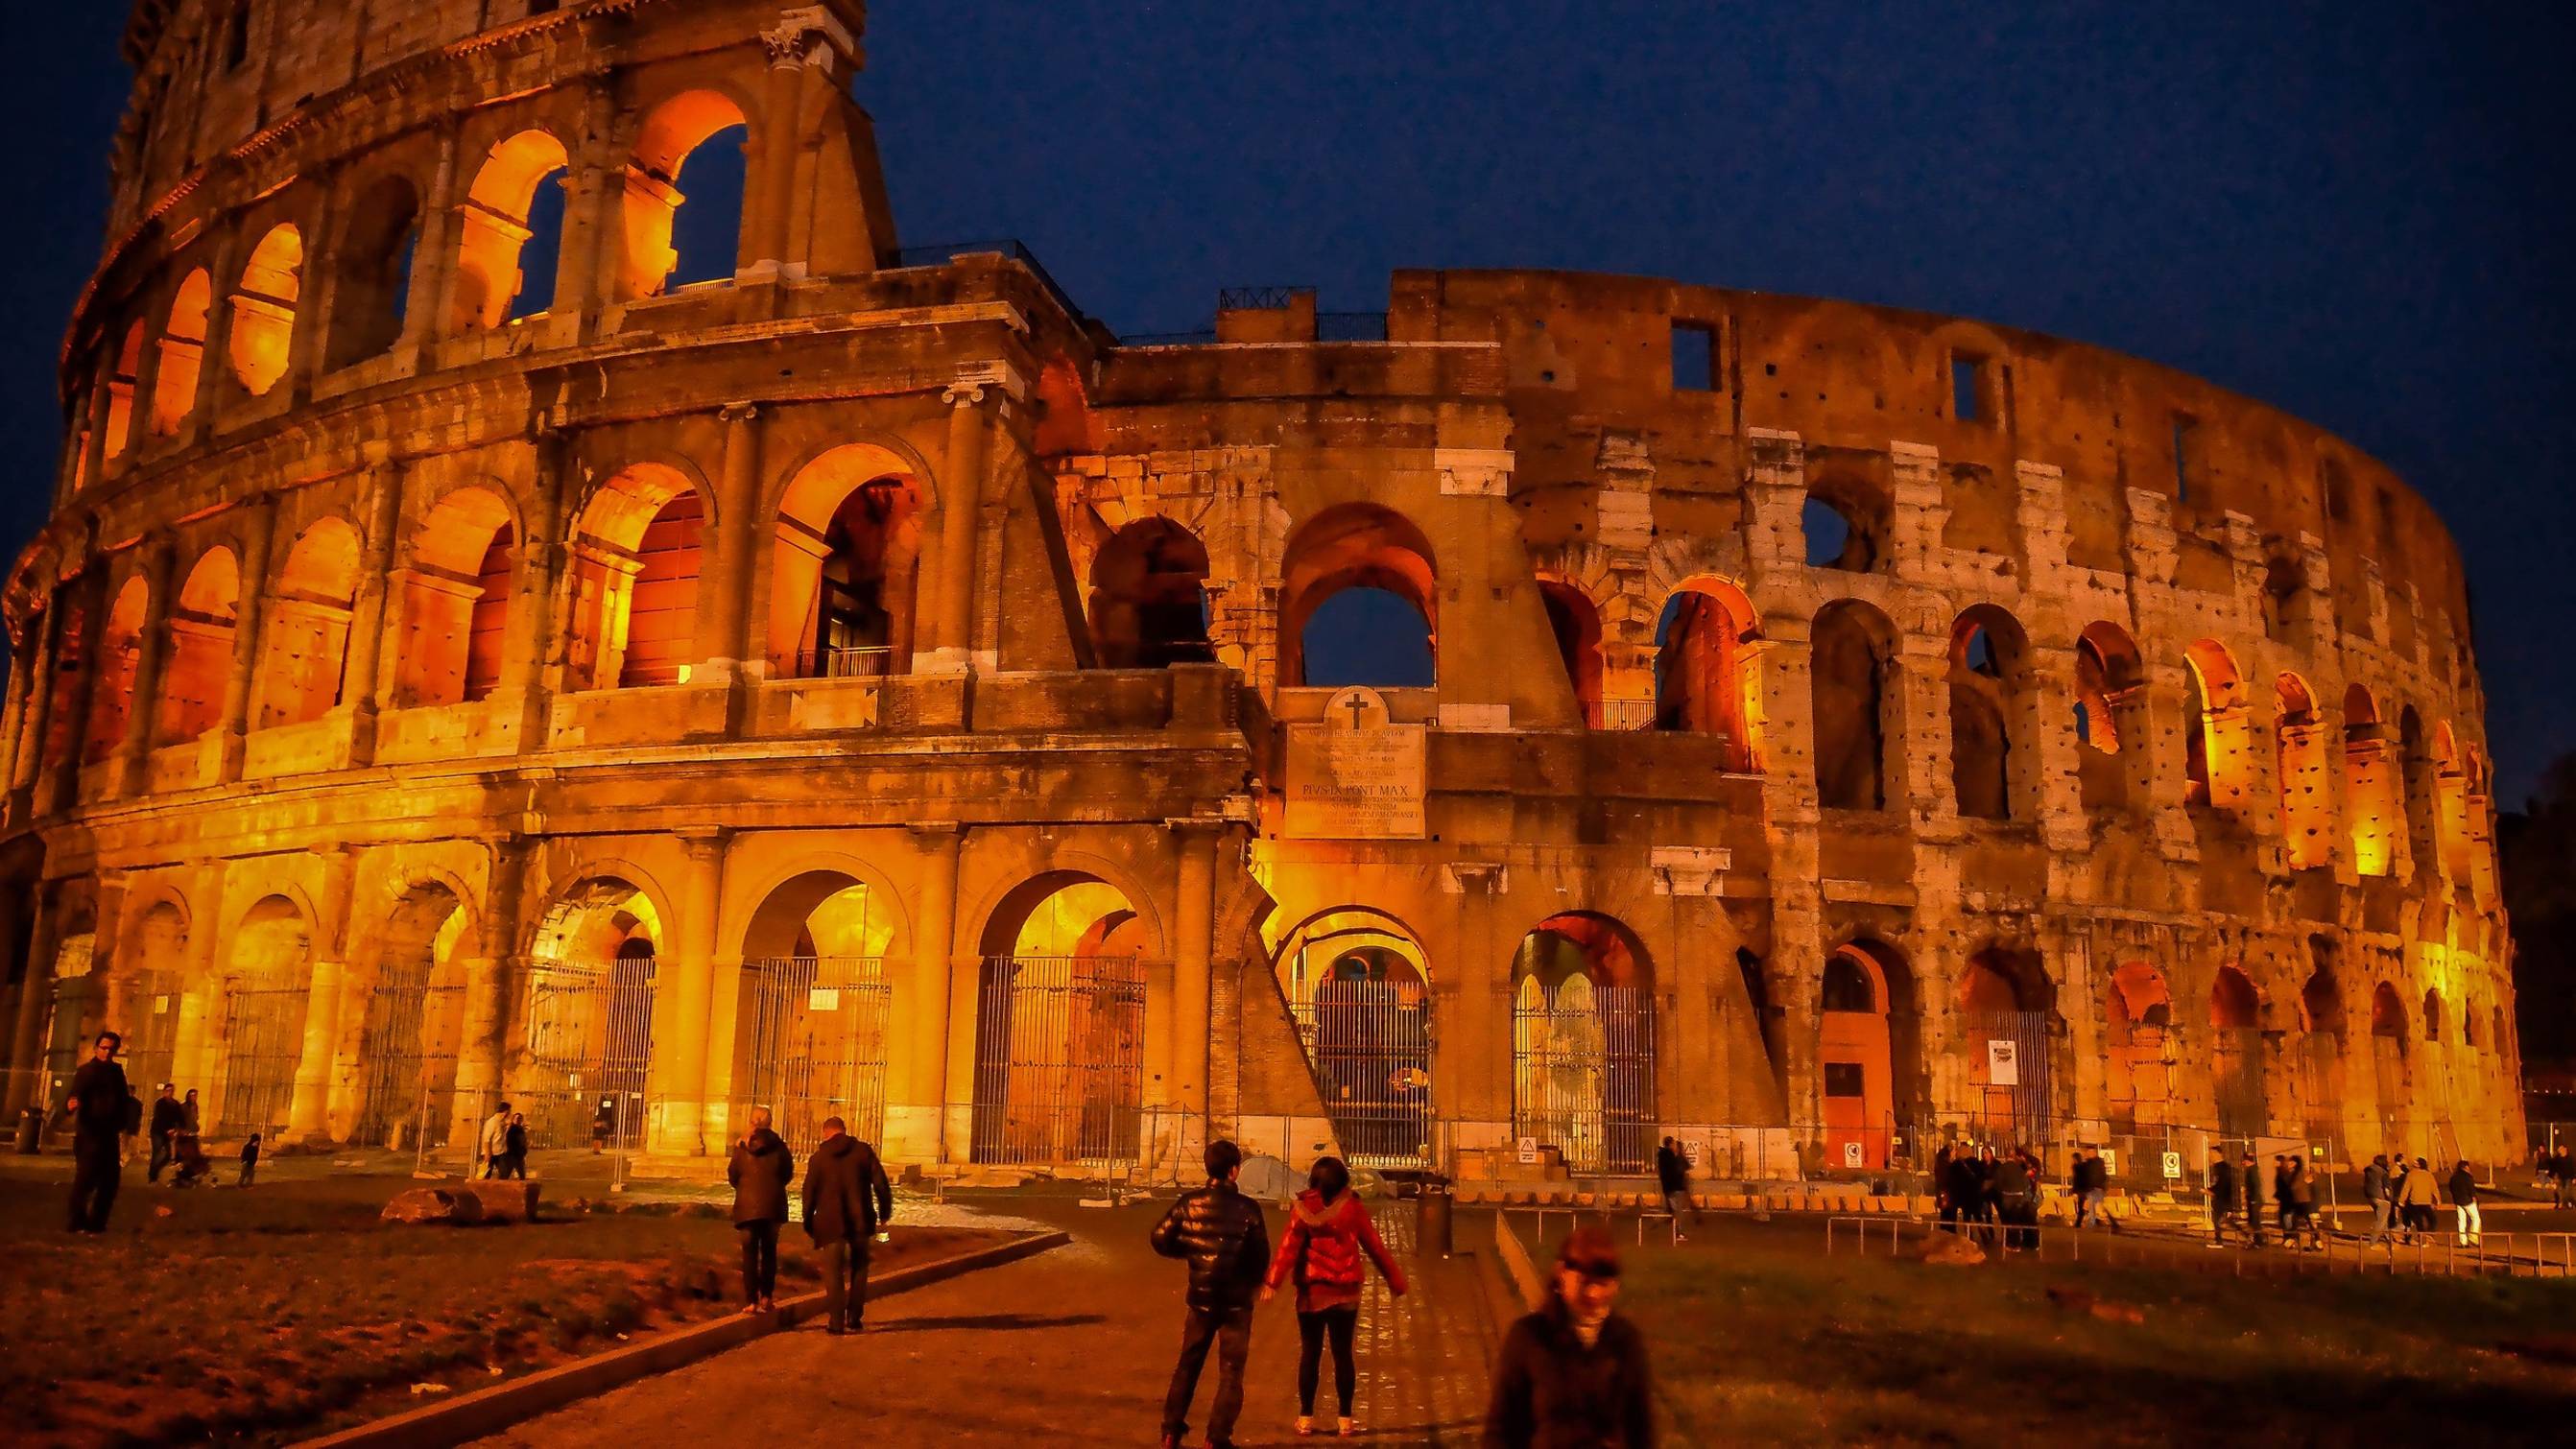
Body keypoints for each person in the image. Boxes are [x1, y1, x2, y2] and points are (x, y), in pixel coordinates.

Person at [1264, 1154, 1408, 1437]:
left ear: (1313, 1182)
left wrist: (1272, 1282)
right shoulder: (1352, 1208)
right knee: (1343, 1355)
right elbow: (1375, 1246)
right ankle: (1345, 1420)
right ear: (1344, 1181)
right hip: (1345, 1295)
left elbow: (1287, 1249)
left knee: (1310, 1354)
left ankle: (1305, 1419)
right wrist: (1395, 1280)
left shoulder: (1302, 1210)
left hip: (1311, 1293)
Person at [1484, 1224, 1654, 1449]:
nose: (1593, 1294)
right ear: (1561, 1273)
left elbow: (1641, 1429)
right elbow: (1501, 1429)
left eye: (1602, 1283)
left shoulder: (1625, 1341)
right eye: (1585, 1282)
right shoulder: (1529, 1338)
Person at [1152, 1138, 1270, 1449]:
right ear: (1234, 1171)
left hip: (1200, 1300)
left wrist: (1189, 1252)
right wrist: (1250, 1282)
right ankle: (1217, 1438)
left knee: (1187, 1365)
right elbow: (1261, 1258)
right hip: (1236, 1305)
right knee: (1231, 1372)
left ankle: (1170, 1432)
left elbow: (1159, 1237)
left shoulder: (1188, 1203)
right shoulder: (1249, 1209)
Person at [800, 1113, 893, 1335]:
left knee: (833, 1271)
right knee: (860, 1268)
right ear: (844, 1129)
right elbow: (880, 1183)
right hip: (860, 1218)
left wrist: (808, 1220)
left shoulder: (819, 1158)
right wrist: (884, 1211)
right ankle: (854, 1315)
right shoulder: (863, 1152)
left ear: (826, 1132)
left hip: (830, 1221)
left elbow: (809, 1191)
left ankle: (836, 1320)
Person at [727, 1106, 795, 1315]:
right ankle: (766, 1296)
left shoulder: (742, 1147)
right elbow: (787, 1174)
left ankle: (751, 1301)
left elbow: (733, 1175)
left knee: (749, 1253)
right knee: (769, 1252)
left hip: (747, 1206)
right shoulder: (780, 1147)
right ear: (770, 1122)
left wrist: (746, 1188)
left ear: (751, 1122)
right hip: (773, 1205)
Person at [63, 1033, 131, 1235]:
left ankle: (97, 1224)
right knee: (86, 1180)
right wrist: (70, 1105)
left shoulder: (117, 1072)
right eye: (103, 1048)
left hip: (109, 1134)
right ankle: (76, 1223)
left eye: (111, 1049)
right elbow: (73, 1095)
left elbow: (122, 1099)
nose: (107, 1052)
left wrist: (122, 1123)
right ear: (96, 1048)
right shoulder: (87, 1072)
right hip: (89, 1133)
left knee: (110, 1181)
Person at [1991, 1147, 2035, 1251]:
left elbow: (1998, 1184)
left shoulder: (2002, 1168)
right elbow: (2025, 1183)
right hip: (2019, 1196)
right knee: (2017, 1220)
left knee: (2009, 1221)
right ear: (2014, 1156)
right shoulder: (2019, 1168)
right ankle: (2018, 1243)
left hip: (2007, 1197)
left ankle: (2012, 1244)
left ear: (2005, 1156)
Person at [1653, 1137, 1695, 1238]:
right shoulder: (1671, 1156)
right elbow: (1680, 1169)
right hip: (1676, 1187)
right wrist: (1680, 1155)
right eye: (1674, 1144)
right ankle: (1678, 1232)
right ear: (1671, 1144)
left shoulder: (1663, 1156)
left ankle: (1660, 1221)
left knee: (1671, 1209)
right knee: (1677, 1211)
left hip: (1668, 1187)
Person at [147, 1083, 184, 1184]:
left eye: (171, 1090)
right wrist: (167, 1129)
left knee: (169, 1154)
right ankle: (152, 1176)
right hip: (158, 1131)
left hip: (169, 1132)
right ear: (164, 1092)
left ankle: (155, 1170)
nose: (169, 1092)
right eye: (167, 1090)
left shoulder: (175, 1104)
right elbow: (159, 1118)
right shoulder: (160, 1103)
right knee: (156, 1153)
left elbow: (179, 1117)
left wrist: (180, 1128)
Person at [2283, 1156, 2323, 1250]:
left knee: (2305, 1222)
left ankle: (2316, 1242)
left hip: (2303, 1202)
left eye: (2291, 1162)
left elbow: (2295, 1186)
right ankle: (2316, 1242)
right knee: (2297, 1222)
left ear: (2295, 1163)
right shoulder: (2295, 1173)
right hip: (2299, 1201)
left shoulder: (2300, 1173)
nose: (2288, 1164)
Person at [2398, 1154, 2441, 1240]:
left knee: (2420, 1223)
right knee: (2432, 1220)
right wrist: (2438, 1200)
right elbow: (2434, 1189)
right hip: (2424, 1202)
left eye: (2416, 1162)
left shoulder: (2411, 1174)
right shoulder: (2428, 1175)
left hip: (2415, 1202)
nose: (2414, 1163)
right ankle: (2428, 1235)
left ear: (2419, 1164)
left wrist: (2401, 1200)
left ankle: (2423, 1238)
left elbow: (2406, 1189)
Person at [2361, 1152, 2395, 1247]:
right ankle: (2373, 1242)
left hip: (2371, 1197)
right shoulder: (2383, 1173)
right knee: (2381, 1221)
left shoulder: (2369, 1171)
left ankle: (2389, 1241)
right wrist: (2390, 1199)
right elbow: (2387, 1189)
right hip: (2382, 1198)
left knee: (2383, 1221)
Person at [2206, 1148, 2237, 1247]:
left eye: (2211, 1153)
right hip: (2221, 1198)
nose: (2209, 1156)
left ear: (2217, 1154)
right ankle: (2252, 1237)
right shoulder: (2217, 1167)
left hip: (2223, 1199)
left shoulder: (2223, 1168)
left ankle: (2218, 1241)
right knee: (2228, 1222)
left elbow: (2222, 1184)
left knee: (2217, 1220)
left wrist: (2211, 1191)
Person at [2072, 1147, 2108, 1230]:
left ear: (2094, 1153)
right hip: (2090, 1188)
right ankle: (2091, 1221)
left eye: (2089, 1152)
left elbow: (2101, 1176)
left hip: (2095, 1188)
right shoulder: (2088, 1164)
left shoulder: (2097, 1163)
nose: (2087, 1154)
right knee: (2089, 1205)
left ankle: (2091, 1222)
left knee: (2090, 1204)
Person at [2446, 1160, 2480, 1247]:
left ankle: (2463, 1242)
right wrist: (2474, 1199)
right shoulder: (2468, 1177)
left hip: (2458, 1201)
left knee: (2461, 1222)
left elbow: (2451, 1188)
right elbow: (2471, 1190)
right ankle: (2473, 1237)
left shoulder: (2453, 1177)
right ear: (2466, 1167)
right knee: (2476, 1219)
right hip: (2468, 1201)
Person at [2238, 1152, 2267, 1248]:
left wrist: (2253, 1199)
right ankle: (2260, 1241)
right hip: (2253, 1199)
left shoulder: (2252, 1170)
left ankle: (2251, 1241)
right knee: (2255, 1222)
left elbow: (2256, 1185)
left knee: (2253, 1222)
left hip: (2255, 1200)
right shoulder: (2252, 1169)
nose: (2242, 1163)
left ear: (2246, 1160)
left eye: (2243, 1160)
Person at [479, 1101, 513, 1178]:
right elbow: (487, 1139)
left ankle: (499, 1187)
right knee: (486, 1174)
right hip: (491, 1153)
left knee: (504, 1172)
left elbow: (502, 1135)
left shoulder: (502, 1122)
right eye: (509, 1111)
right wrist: (487, 1153)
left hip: (500, 1152)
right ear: (506, 1111)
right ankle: (482, 1188)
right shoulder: (492, 1122)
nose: (510, 1113)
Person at [1933, 1144, 1957, 1232]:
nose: (1955, 1153)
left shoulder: (1941, 1164)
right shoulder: (1946, 1165)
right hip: (1947, 1195)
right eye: (1954, 1151)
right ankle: (1948, 1236)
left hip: (1945, 1194)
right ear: (1949, 1153)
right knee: (1949, 1218)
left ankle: (1946, 1235)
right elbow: (1946, 1181)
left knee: (1945, 1217)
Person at [501, 1112, 530, 1180]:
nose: (517, 1120)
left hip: (517, 1155)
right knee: (509, 1173)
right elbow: (519, 1141)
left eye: (519, 1118)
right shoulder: (513, 1129)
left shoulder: (518, 1129)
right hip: (512, 1154)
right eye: (516, 1118)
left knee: (520, 1173)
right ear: (513, 1119)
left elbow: (522, 1141)